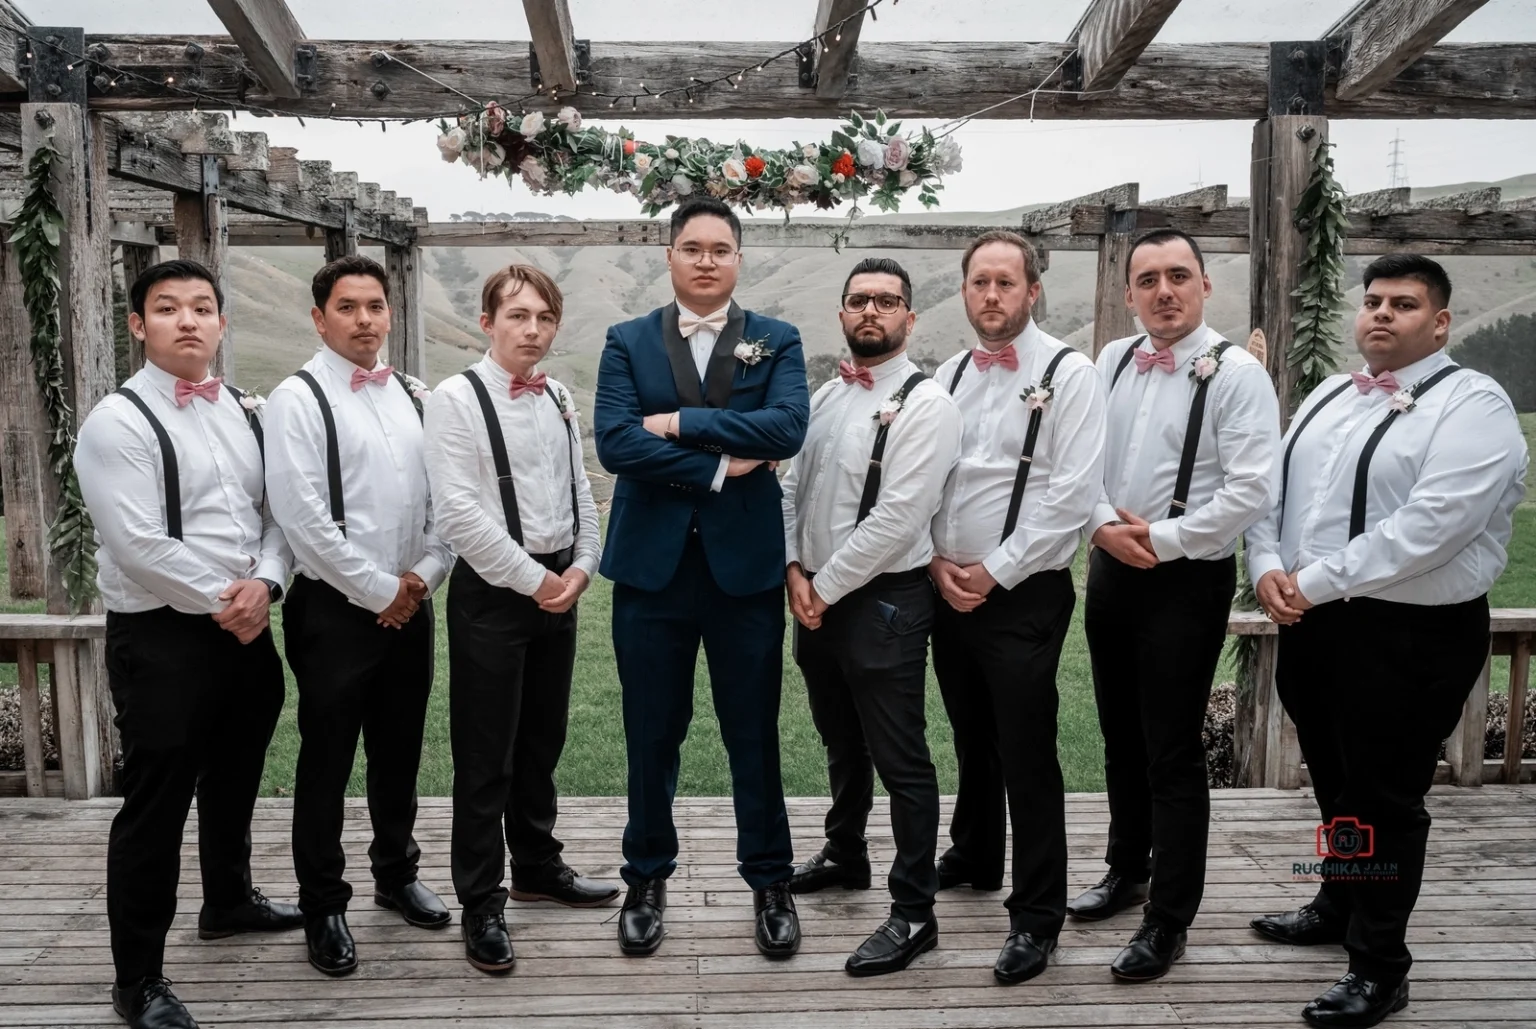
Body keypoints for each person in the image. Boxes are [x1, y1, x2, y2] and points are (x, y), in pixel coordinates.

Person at [1247, 254, 1527, 1028]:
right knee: (1337, 783)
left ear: (1439, 322)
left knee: (1386, 797)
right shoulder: (1329, 393)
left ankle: (1379, 964)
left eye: (1403, 304)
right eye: (1372, 300)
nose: (1380, 314)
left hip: (1413, 632)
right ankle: (1339, 899)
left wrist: (1315, 578)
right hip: (1314, 622)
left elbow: (1434, 527)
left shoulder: (1475, 404)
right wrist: (1267, 562)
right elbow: (1270, 489)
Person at [76, 259, 303, 1029]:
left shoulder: (246, 410)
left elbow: (279, 513)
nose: (188, 320)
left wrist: (267, 584)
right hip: (162, 637)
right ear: (138, 325)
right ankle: (137, 977)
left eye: (202, 307)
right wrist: (230, 600)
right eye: (167, 308)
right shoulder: (116, 423)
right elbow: (138, 544)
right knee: (156, 805)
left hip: (247, 625)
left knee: (236, 777)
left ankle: (229, 899)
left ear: (221, 323)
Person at [593, 196, 810, 960]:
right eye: (693, 247)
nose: (707, 259)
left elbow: (786, 429)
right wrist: (722, 464)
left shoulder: (777, 340)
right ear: (670, 255)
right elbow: (617, 442)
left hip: (743, 574)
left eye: (721, 247)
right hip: (650, 574)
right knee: (651, 734)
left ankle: (770, 880)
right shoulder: (625, 341)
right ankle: (646, 877)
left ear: (739, 258)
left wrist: (681, 424)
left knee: (753, 734)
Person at [1078, 229, 1279, 981]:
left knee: (1171, 749)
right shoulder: (1111, 360)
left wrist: (1161, 538)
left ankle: (1170, 918)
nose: (1163, 290)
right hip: (1110, 566)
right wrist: (1100, 523)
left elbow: (1251, 488)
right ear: (1128, 293)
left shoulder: (1237, 373)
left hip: (1186, 574)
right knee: (1119, 734)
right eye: (1148, 278)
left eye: (1178, 275)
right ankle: (1127, 866)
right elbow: (1081, 459)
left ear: (1204, 285)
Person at [424, 265, 617, 975]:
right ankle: (481, 899)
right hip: (494, 594)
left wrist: (583, 566)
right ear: (487, 322)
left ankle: (538, 863)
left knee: (542, 739)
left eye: (543, 317)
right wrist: (534, 578)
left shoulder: (558, 394)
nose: (532, 329)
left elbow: (580, 488)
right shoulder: (455, 398)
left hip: (558, 585)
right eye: (517, 317)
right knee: (485, 754)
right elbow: (458, 514)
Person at [264, 255, 454, 978]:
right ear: (319, 318)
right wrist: (379, 590)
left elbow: (445, 499)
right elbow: (302, 516)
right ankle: (323, 902)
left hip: (413, 596)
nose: (366, 319)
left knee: (399, 747)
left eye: (375, 305)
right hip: (336, 608)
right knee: (327, 757)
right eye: (348, 307)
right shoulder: (296, 398)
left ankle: (396, 871)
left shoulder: (413, 395)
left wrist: (423, 575)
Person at [927, 232, 1107, 984]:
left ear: (1033, 290)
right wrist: (936, 557)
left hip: (1024, 587)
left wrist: (994, 571)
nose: (991, 295)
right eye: (979, 282)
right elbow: (928, 474)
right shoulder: (947, 373)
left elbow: (1071, 492)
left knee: (1027, 750)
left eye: (1006, 282)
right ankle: (973, 853)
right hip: (945, 584)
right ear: (965, 291)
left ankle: (1037, 916)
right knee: (971, 730)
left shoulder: (1072, 372)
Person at [784, 258, 962, 976]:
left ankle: (914, 910)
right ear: (841, 313)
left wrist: (823, 585)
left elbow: (898, 517)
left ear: (910, 318)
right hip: (812, 593)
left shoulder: (929, 404)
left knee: (901, 757)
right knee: (839, 737)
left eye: (886, 302)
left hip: (884, 598)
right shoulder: (825, 395)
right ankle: (845, 851)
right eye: (859, 300)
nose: (871, 312)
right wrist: (794, 568)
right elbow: (790, 486)